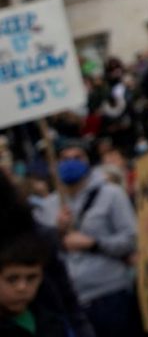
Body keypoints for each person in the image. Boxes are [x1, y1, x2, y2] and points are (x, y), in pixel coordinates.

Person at [33, 139, 140, 337]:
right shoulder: (46, 207)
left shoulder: (112, 195)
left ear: (88, 160)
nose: (71, 162)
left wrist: (94, 244)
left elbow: (131, 239)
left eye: (77, 157)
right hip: (72, 302)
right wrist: (57, 233)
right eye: (64, 158)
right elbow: (39, 254)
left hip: (111, 294)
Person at [0, 176, 93, 337]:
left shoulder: (32, 236)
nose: (22, 287)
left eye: (30, 278)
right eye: (13, 279)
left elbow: (67, 301)